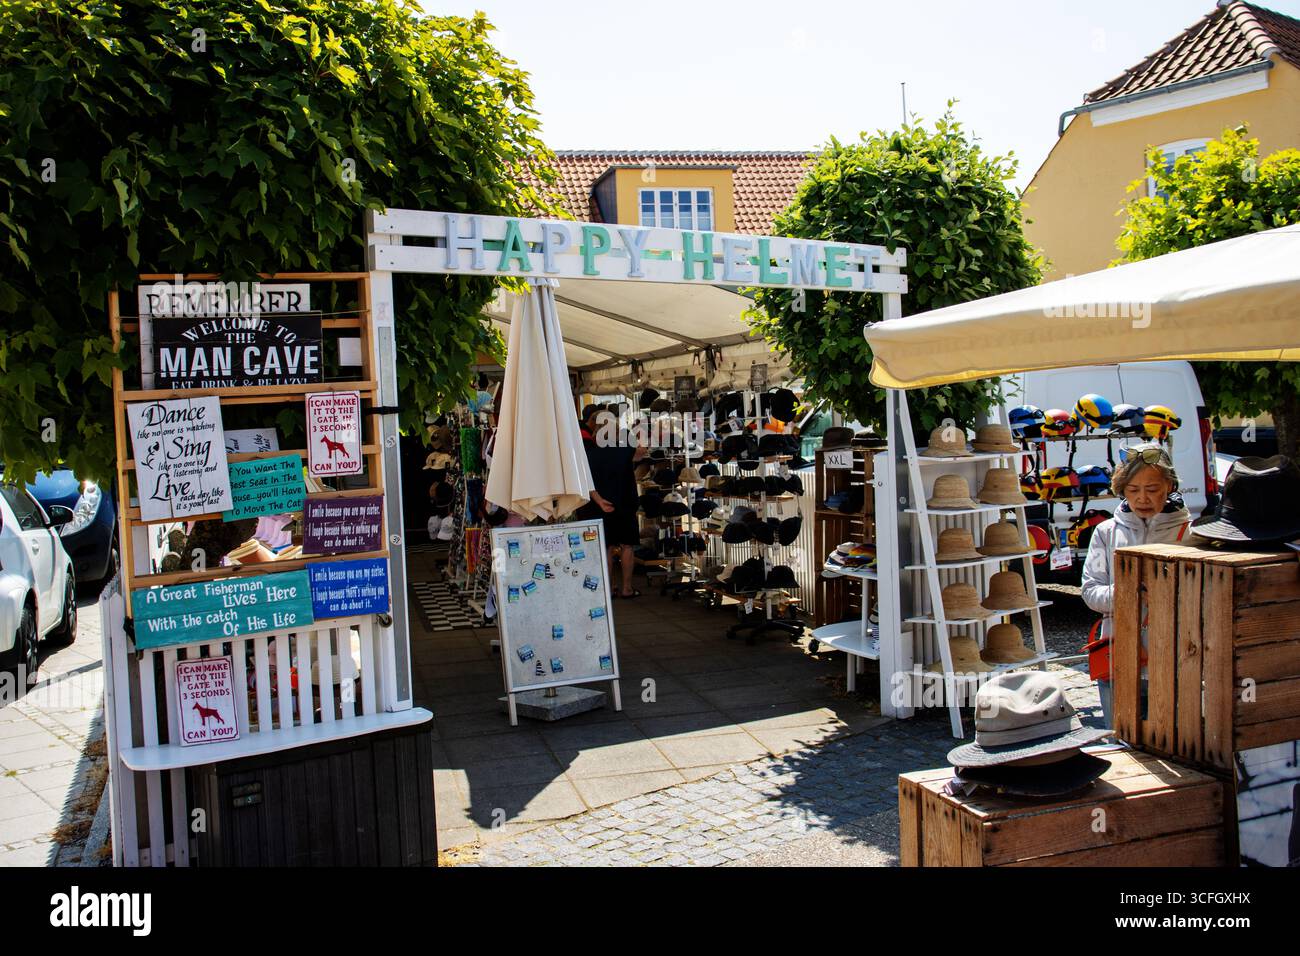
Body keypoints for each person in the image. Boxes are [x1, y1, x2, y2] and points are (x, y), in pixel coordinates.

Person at [1081, 443, 1190, 726]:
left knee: (1170, 738)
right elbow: (1091, 591)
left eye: (1152, 489)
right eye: (1133, 490)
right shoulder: (1105, 533)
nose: (1142, 498)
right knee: (1120, 736)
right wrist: (1128, 593)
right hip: (1118, 655)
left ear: (1169, 485)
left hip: (1172, 657)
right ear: (1121, 489)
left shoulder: (1188, 534)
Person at [577, 408, 646, 598]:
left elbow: (585, 480)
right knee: (627, 546)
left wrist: (598, 499)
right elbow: (642, 452)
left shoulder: (589, 453)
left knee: (606, 547)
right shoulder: (625, 449)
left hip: (601, 505)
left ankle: (609, 588)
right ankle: (627, 588)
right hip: (625, 503)